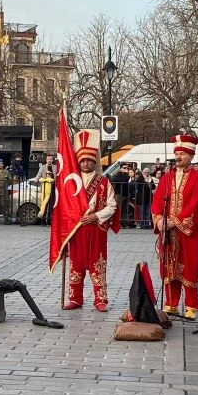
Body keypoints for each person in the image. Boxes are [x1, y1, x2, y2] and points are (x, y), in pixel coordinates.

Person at [62, 130, 119, 311]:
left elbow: (112, 206)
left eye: (89, 161)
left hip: (96, 229)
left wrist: (95, 216)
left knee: (97, 263)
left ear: (94, 162)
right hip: (77, 230)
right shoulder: (71, 182)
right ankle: (75, 298)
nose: (86, 164)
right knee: (76, 264)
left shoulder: (103, 182)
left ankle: (100, 299)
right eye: (83, 161)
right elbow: (64, 207)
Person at [151, 133, 198, 318]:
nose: (178, 157)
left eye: (182, 153)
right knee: (168, 265)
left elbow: (195, 203)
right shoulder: (167, 177)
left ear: (191, 155)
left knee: (188, 265)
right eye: (177, 153)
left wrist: (174, 221)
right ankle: (171, 302)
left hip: (188, 231)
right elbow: (158, 199)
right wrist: (159, 219)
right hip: (167, 230)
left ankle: (191, 305)